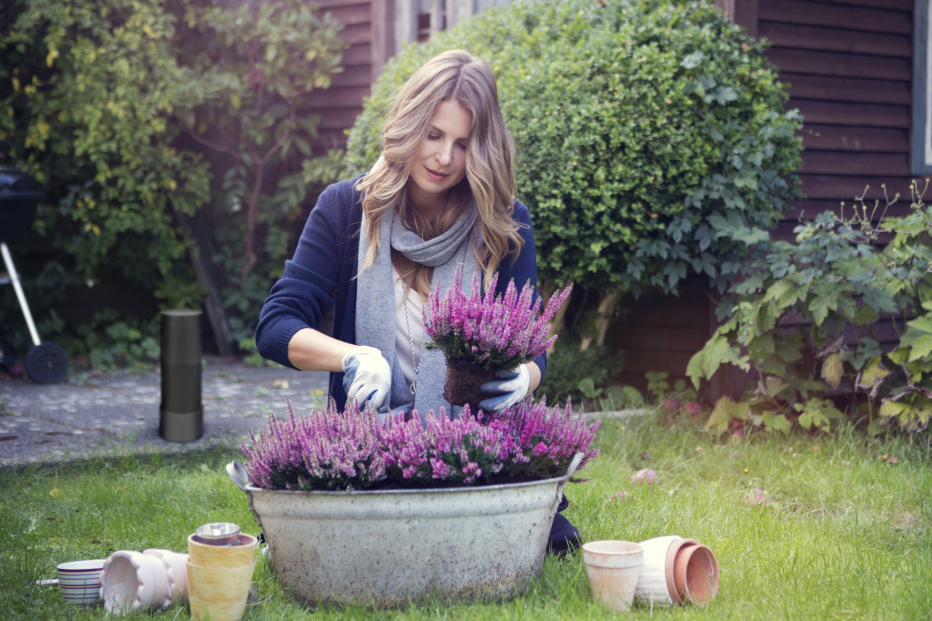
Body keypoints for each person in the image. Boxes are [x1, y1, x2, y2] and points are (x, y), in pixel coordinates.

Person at [255, 49, 579, 554]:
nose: (444, 158)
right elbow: (276, 326)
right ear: (409, 125)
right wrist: (352, 356)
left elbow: (532, 349)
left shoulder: (503, 223)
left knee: (542, 538)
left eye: (463, 143)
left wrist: (525, 378)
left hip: (470, 450)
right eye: (433, 134)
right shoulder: (345, 209)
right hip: (368, 448)